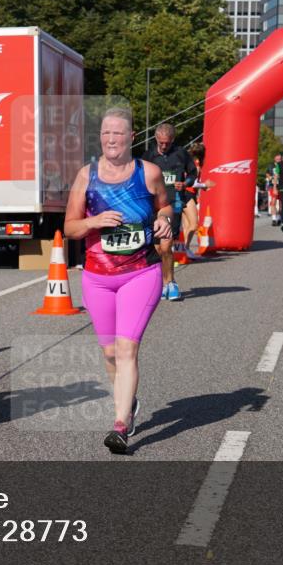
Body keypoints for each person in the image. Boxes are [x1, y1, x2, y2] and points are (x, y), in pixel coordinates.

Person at [65, 108, 172, 455]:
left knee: (127, 349)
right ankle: (130, 403)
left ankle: (121, 424)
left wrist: (164, 221)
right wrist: (93, 221)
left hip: (141, 272)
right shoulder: (87, 176)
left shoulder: (149, 173)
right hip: (97, 277)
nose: (111, 140)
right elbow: (69, 228)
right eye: (106, 134)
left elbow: (166, 206)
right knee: (109, 352)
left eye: (118, 134)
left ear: (131, 137)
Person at [141, 123, 196, 301]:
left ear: (173, 140)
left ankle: (171, 283)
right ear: (156, 139)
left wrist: (185, 183)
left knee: (166, 246)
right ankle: (163, 283)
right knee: (157, 249)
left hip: (174, 204)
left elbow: (193, 174)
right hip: (153, 206)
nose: (164, 146)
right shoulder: (148, 155)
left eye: (167, 143)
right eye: (161, 142)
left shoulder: (180, 153)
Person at [268, 154, 282, 226]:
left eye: (280, 159)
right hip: (272, 186)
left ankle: (279, 218)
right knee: (273, 202)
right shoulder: (271, 166)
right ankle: (273, 219)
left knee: (280, 203)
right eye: (277, 159)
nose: (278, 160)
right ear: (274, 159)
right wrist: (270, 177)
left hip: (282, 186)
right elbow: (267, 173)